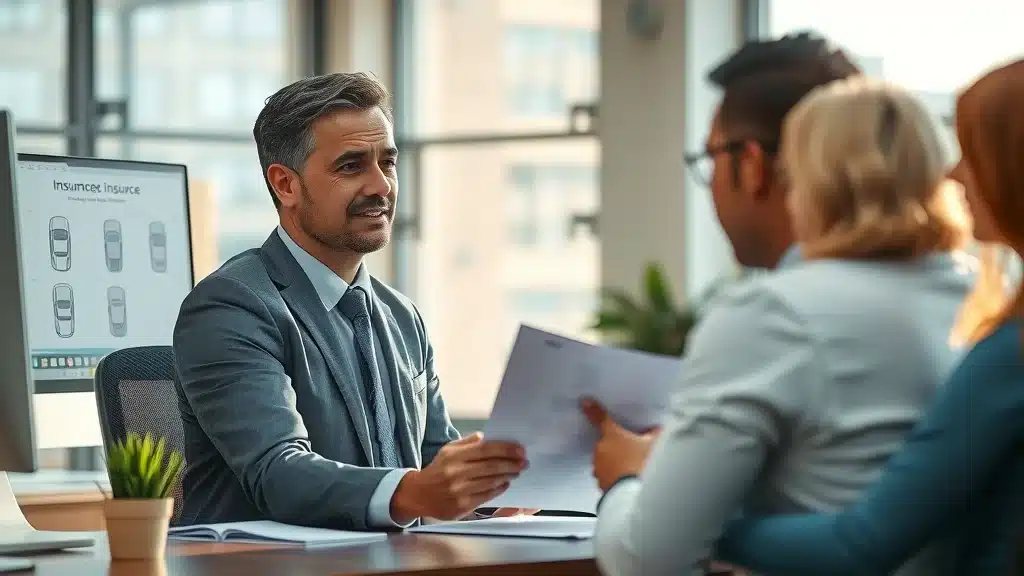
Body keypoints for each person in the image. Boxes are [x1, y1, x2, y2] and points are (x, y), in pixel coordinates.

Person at [582, 70, 975, 574]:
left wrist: (626, 479)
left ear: (808, 180)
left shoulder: (777, 314)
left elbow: (649, 560)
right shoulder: (978, 299)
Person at [173, 72, 528, 530]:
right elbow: (276, 471)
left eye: (388, 163)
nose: (381, 186)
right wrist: (418, 491)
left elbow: (433, 458)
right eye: (351, 166)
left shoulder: (401, 316)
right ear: (285, 185)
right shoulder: (231, 306)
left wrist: (488, 494)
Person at [713, 58, 1024, 576]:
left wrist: (689, 513)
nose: (952, 175)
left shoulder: (1012, 355)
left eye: (973, 154)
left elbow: (862, 544)